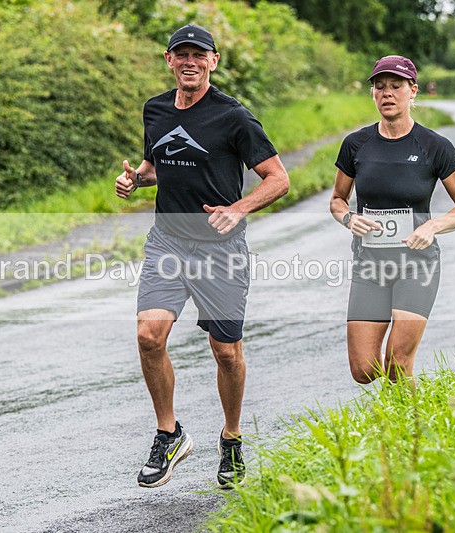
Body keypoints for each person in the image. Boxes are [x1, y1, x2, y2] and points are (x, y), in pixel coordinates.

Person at [115, 24, 289, 488]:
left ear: (214, 61)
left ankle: (231, 439)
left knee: (225, 351)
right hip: (167, 242)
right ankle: (169, 433)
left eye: (199, 54)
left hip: (220, 249)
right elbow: (159, 163)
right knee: (149, 335)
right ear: (168, 60)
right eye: (181, 54)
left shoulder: (234, 117)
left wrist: (238, 208)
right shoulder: (155, 109)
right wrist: (137, 181)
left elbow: (277, 178)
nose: (190, 61)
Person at [329, 55, 455, 384]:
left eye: (396, 86)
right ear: (372, 94)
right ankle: (403, 410)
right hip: (370, 267)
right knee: (364, 370)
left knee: (397, 363)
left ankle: (412, 429)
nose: (387, 93)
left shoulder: (434, 146)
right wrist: (348, 219)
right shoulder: (356, 144)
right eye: (379, 87)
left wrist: (432, 225)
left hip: (417, 265)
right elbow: (337, 200)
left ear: (413, 91)